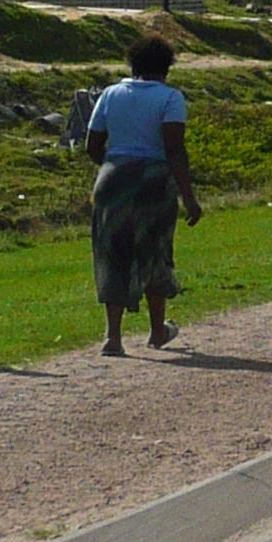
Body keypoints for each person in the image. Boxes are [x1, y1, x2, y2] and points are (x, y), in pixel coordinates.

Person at [85, 34, 202, 354]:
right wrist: (188, 196)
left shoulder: (110, 94)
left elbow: (92, 145)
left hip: (111, 180)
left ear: (132, 65)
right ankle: (156, 332)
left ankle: (113, 337)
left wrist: (115, 168)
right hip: (153, 181)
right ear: (166, 68)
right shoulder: (170, 98)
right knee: (155, 252)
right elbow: (174, 148)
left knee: (112, 252)